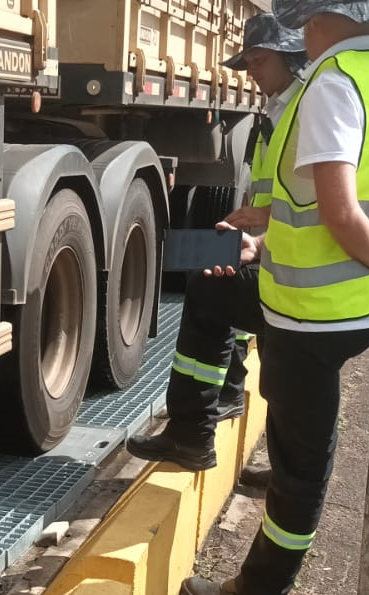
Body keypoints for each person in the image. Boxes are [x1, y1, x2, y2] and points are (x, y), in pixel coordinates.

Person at [177, 0, 369, 595]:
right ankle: (259, 584)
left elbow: (340, 212)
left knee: (301, 464)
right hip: (346, 307)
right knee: (307, 444)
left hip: (311, 309)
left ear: (316, 19)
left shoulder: (332, 86)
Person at [126, 12, 308, 481]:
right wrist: (255, 226)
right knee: (278, 362)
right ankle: (230, 401)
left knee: (210, 295)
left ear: (289, 57)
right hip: (278, 250)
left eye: (259, 60)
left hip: (294, 258)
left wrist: (264, 230)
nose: (251, 72)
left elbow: (318, 197)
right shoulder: (279, 108)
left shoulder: (302, 110)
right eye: (246, 62)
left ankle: (193, 432)